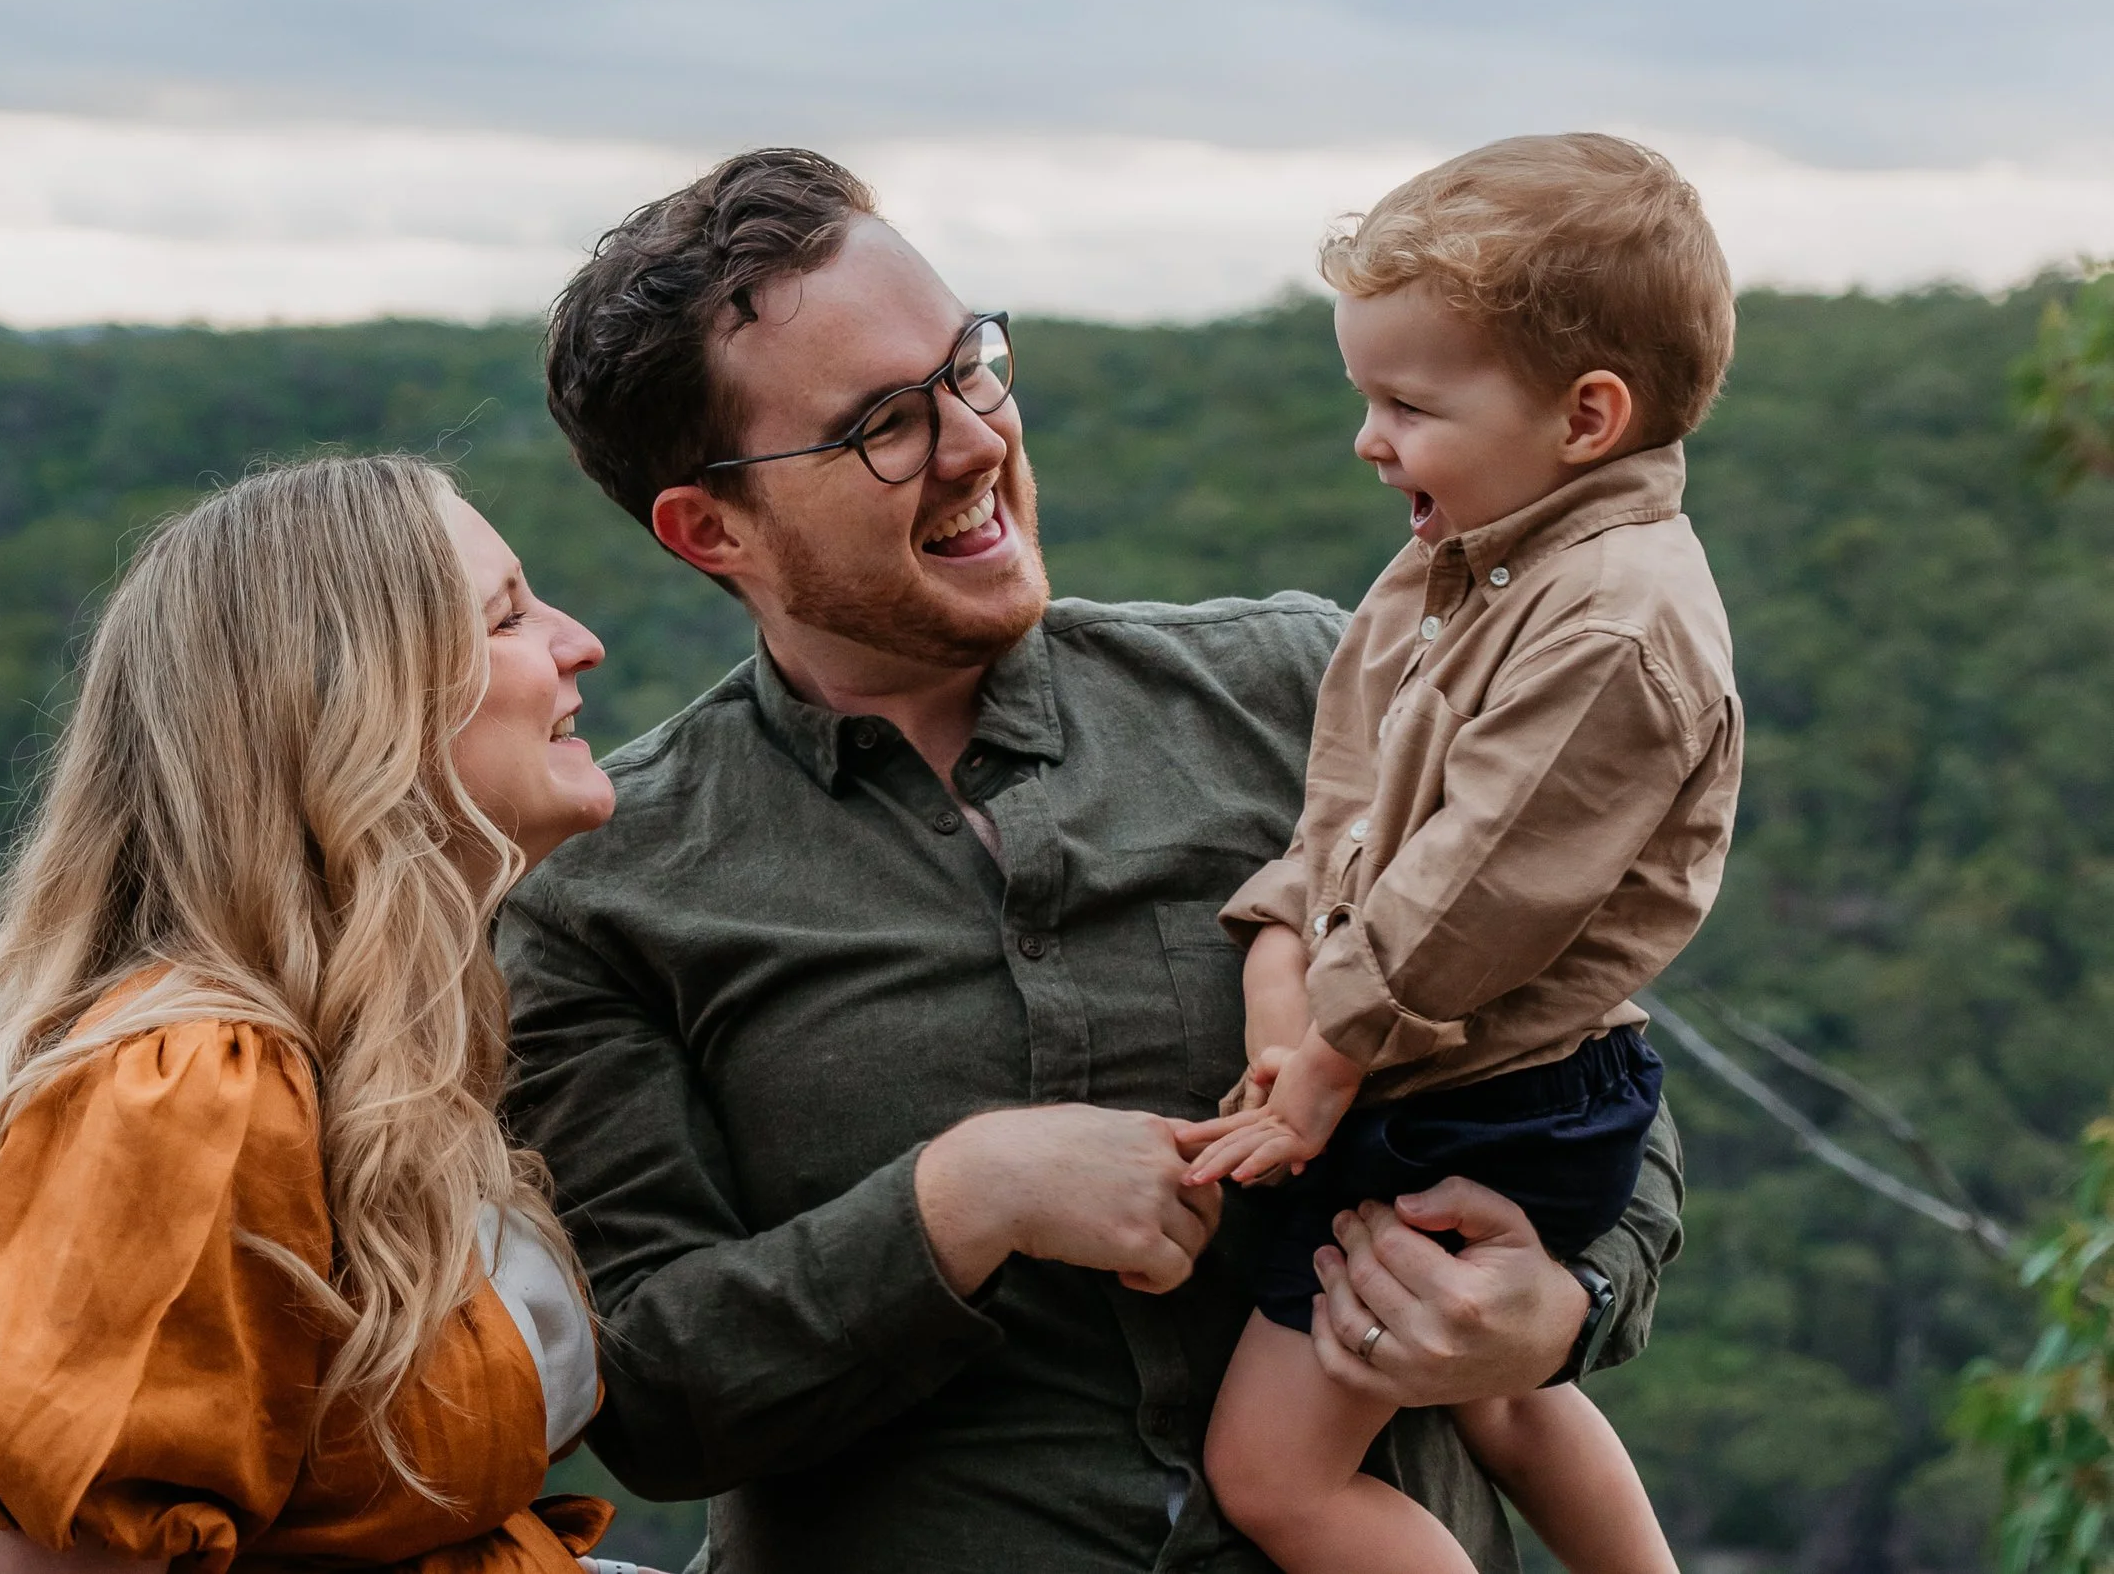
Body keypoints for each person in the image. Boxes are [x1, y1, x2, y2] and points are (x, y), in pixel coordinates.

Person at [502, 148, 1686, 1574]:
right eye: (884, 424)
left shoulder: (1302, 689)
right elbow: (646, 1392)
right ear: (711, 527)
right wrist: (960, 1202)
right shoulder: (600, 885)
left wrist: (1560, 1302)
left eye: (970, 366)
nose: (972, 441)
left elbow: (1579, 1048)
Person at [0, 457, 640, 1574]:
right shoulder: (189, 1087)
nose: (580, 641)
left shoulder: (377, 1058)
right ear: (350, 705)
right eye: (507, 616)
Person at [1175, 134, 1740, 1574]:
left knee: (1274, 1473)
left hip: (1479, 1107)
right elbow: (1353, 789)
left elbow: (1473, 891)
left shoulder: (1610, 624)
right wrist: (1281, 947)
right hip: (1481, 1080)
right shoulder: (1467, 559)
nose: (1370, 440)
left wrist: (1324, 1058)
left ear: (1586, 416)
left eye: (1409, 405)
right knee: (1501, 1399)